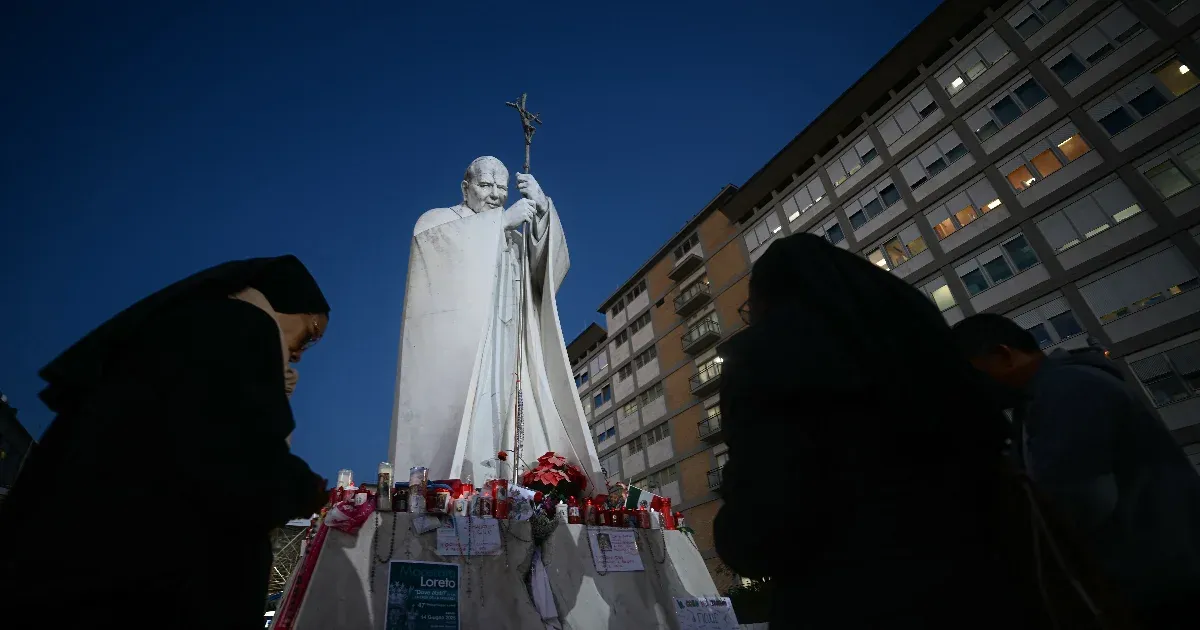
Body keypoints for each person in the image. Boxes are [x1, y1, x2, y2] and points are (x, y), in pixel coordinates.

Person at [713, 234, 1134, 629]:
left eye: (752, 310)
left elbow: (760, 532)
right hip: (994, 598)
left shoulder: (767, 365)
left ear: (771, 304)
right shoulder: (925, 357)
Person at [0, 255, 332, 629]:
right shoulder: (240, 326)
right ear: (286, 303)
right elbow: (233, 455)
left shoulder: (194, 327)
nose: (304, 349)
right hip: (130, 582)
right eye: (312, 331)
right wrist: (306, 488)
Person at [952, 313, 1200, 628]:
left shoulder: (1068, 389)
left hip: (1166, 584)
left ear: (1003, 354)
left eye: (973, 375)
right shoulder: (1034, 405)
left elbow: (1078, 500)